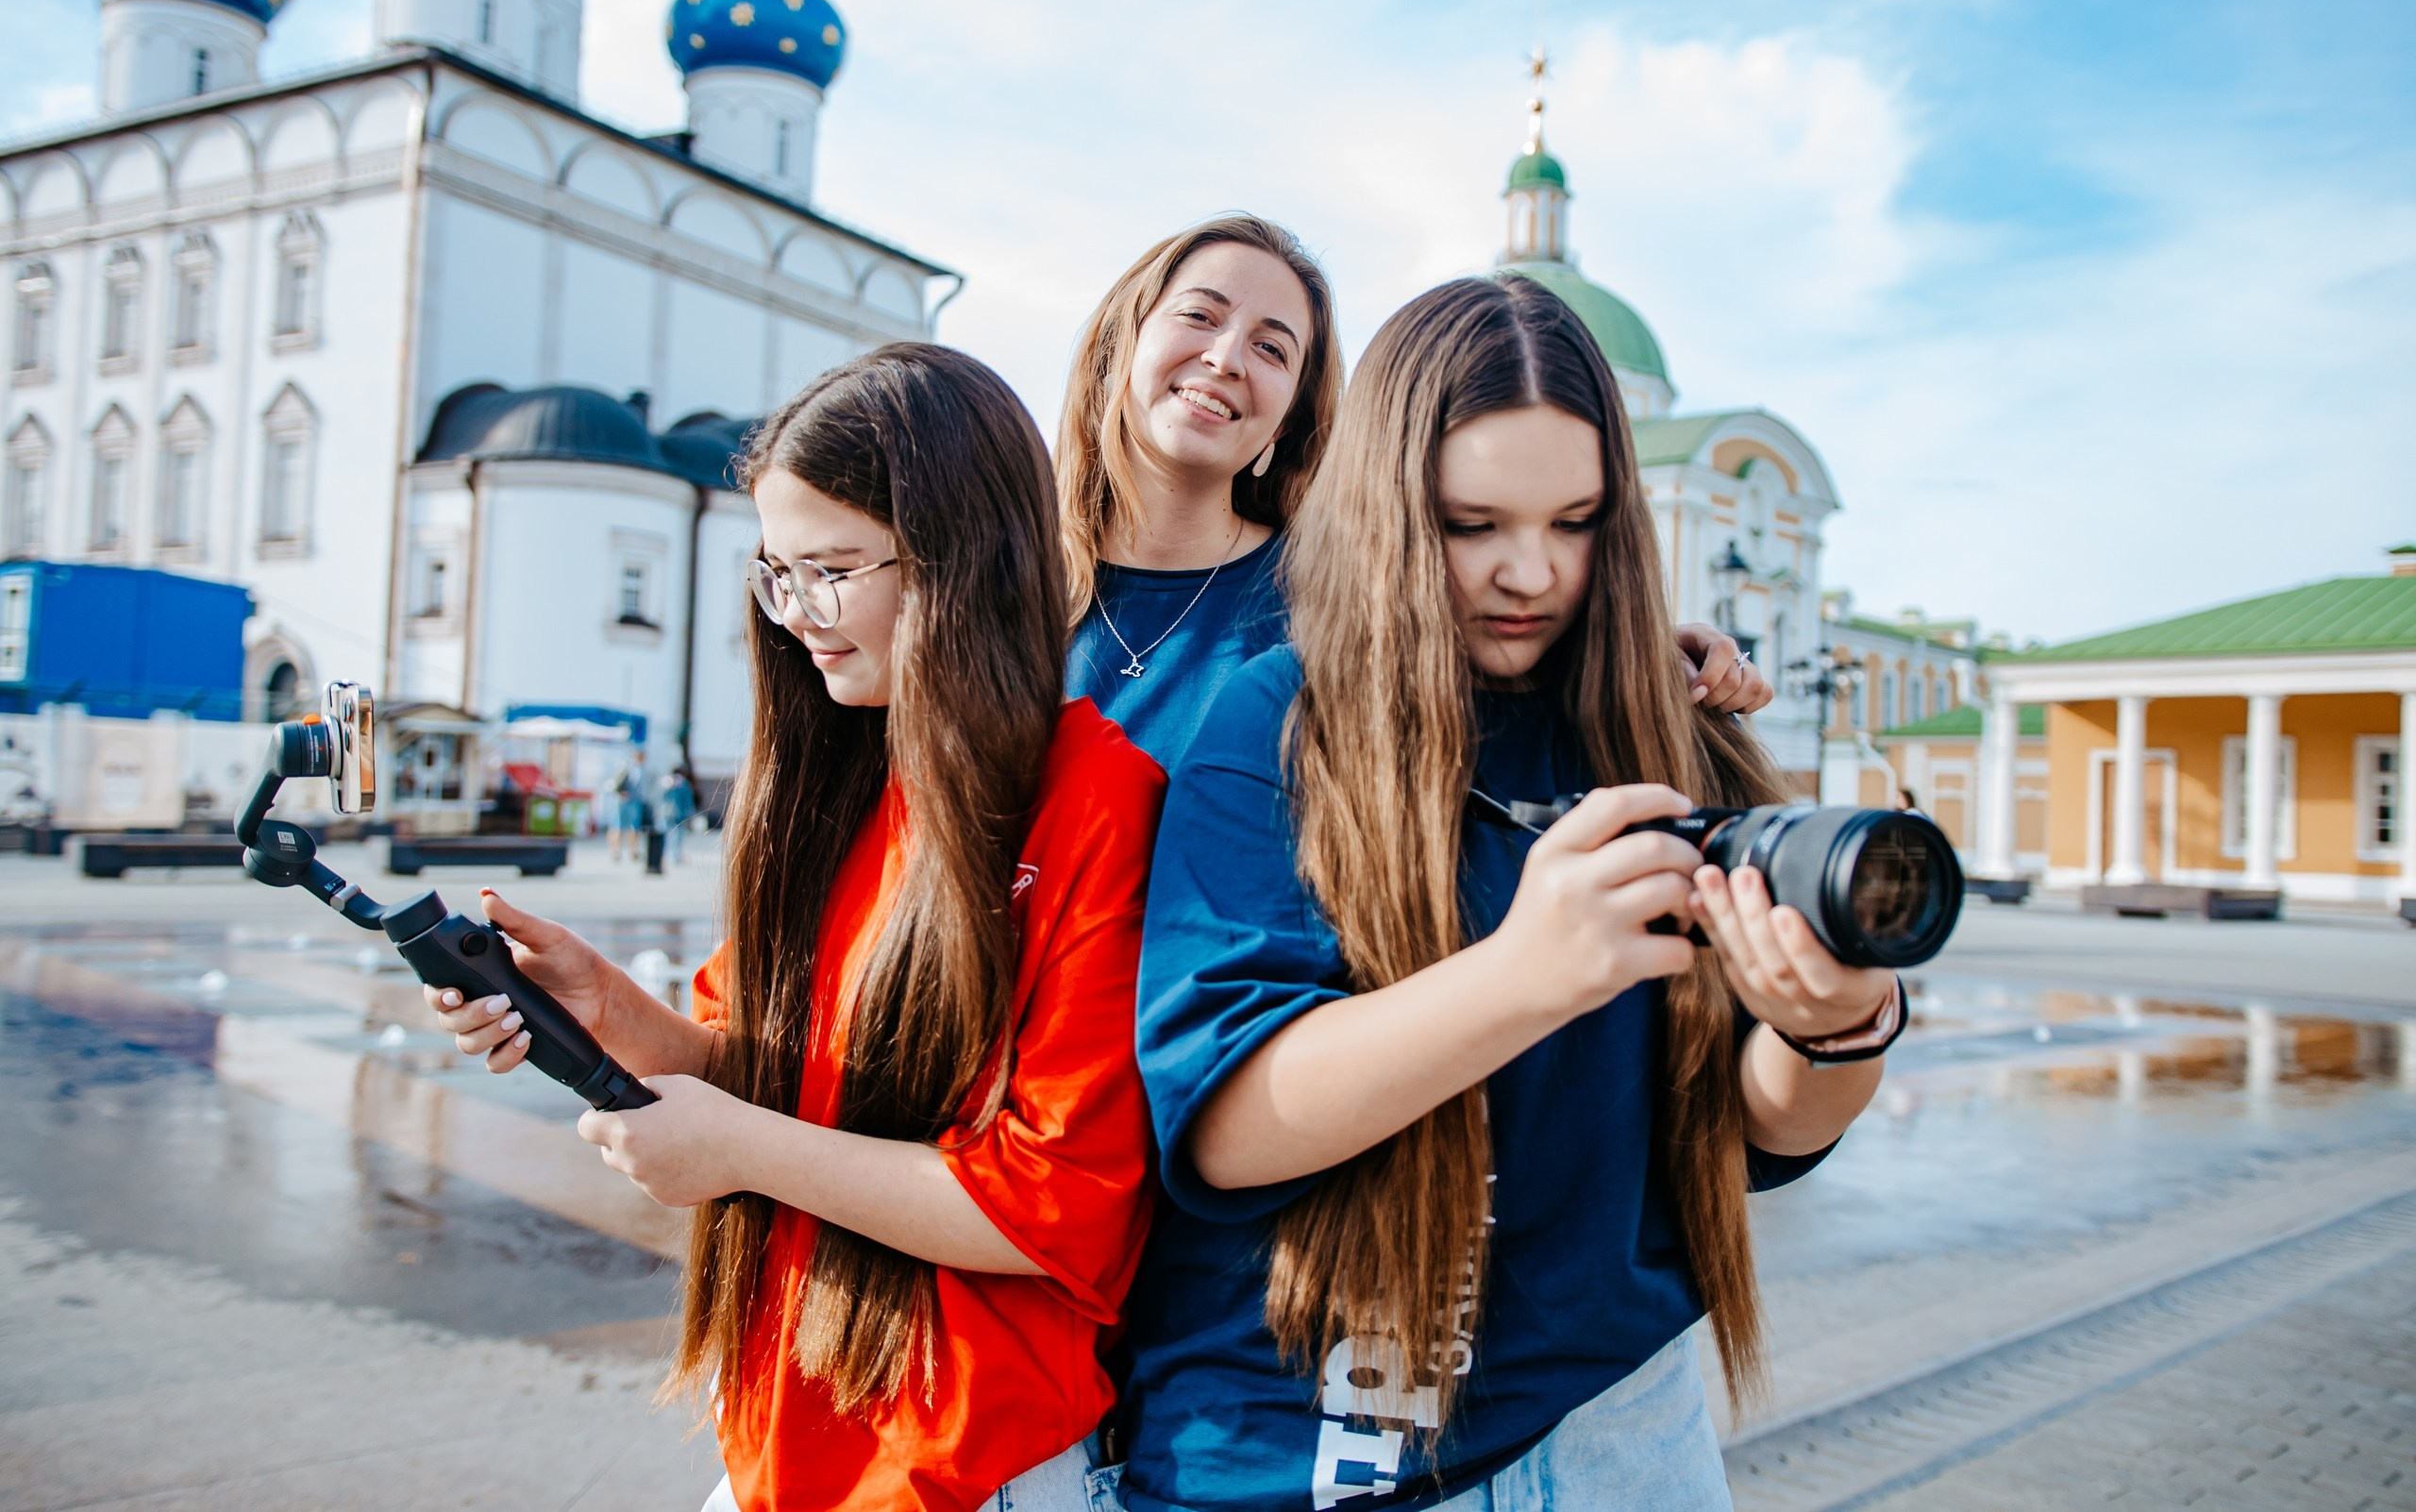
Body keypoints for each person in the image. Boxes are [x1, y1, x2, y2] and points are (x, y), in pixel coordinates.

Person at [1113, 276, 1902, 1511]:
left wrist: (1835, 1022)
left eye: (1572, 519)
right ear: (1390, 504)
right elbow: (1228, 1124)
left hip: (1624, 1430)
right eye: (1474, 520)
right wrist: (1523, 972)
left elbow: (1761, 1134)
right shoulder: (1278, 719)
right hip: (1317, 1444)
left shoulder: (1672, 732)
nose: (1527, 570)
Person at [423, 344, 1166, 1512]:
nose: (797, 617)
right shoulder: (844, 780)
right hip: (785, 1434)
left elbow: (1054, 1209)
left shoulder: (1096, 797)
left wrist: (742, 1151)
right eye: (776, 573)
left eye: (829, 570)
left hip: (961, 1465)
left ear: (965, 558)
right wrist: (608, 1011)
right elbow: (758, 1070)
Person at [1055, 214, 1770, 778]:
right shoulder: (1006, 575)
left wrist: (1638, 655)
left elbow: (1469, 670)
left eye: (1274, 348)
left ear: (1289, 419)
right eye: (1199, 316)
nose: (1226, 356)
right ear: (1123, 341)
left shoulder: (1327, 596)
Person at [660, 764, 697, 865]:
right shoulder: (677, 784)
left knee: (672, 834)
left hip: (672, 813)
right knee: (675, 835)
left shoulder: (680, 784)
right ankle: (672, 855)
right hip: (677, 813)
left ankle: (672, 855)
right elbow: (688, 801)